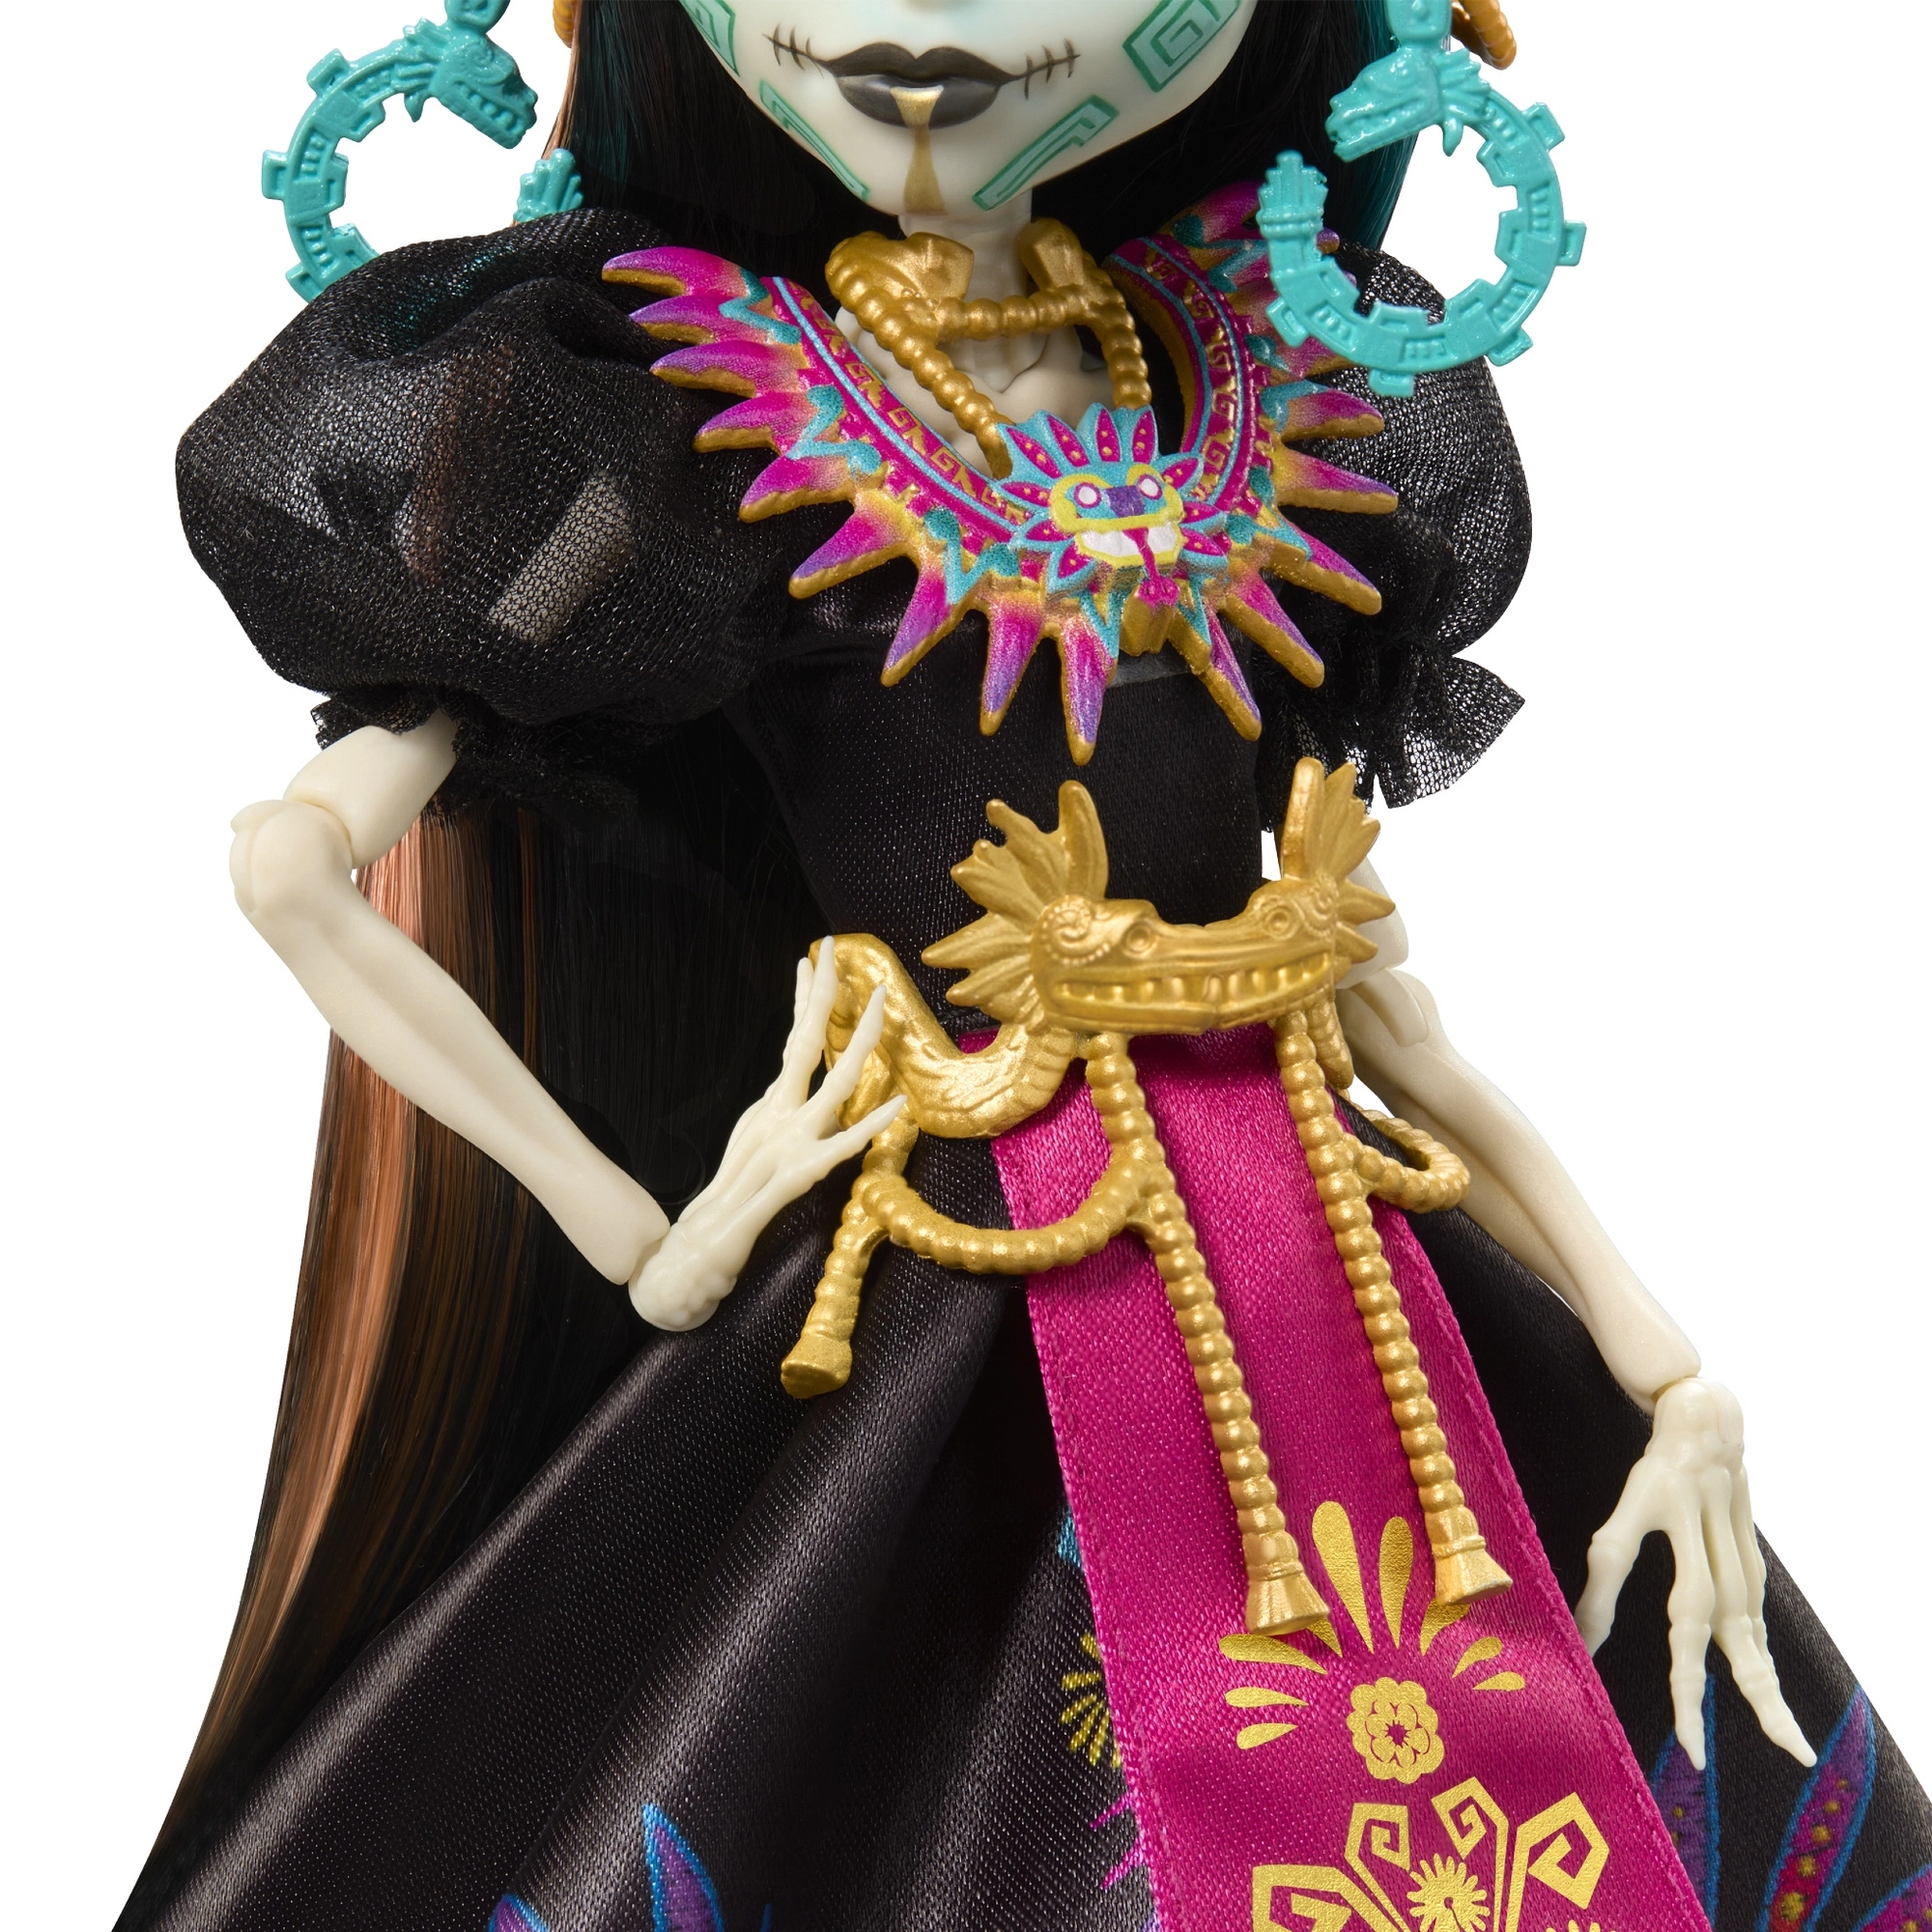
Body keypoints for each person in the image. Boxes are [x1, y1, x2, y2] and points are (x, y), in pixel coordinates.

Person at [122, 3, 1932, 1927]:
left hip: (1330, 1251)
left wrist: (1661, 1361)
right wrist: (644, 1233)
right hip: (950, 1248)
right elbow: (299, 861)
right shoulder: (691, 422)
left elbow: (1387, 1025)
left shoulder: (1256, 388)